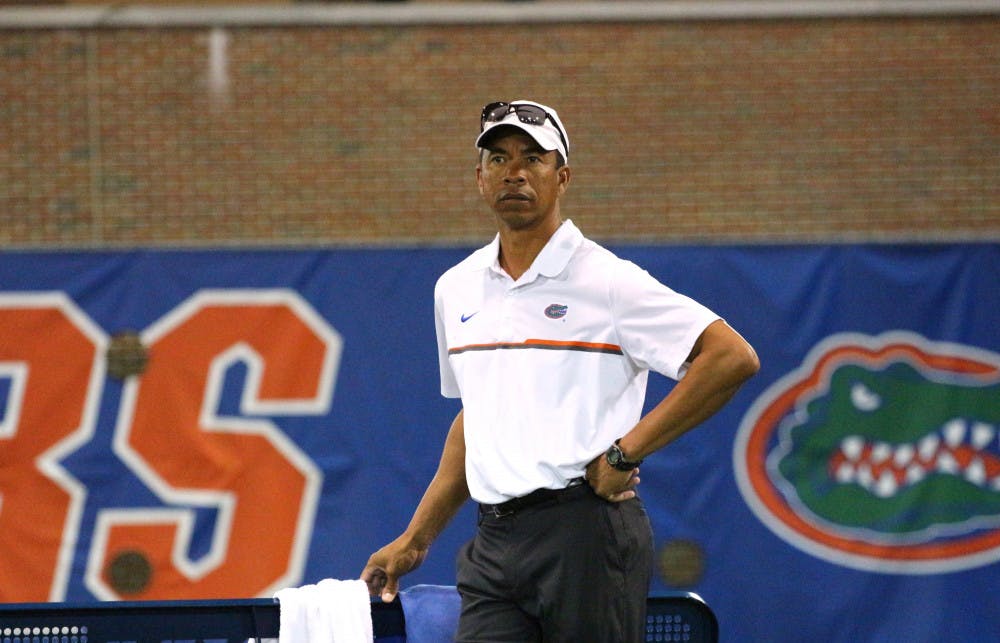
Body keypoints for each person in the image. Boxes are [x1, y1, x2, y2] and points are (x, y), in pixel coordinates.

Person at [361, 100, 760, 642]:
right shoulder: (455, 287)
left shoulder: (609, 280)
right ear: (480, 179)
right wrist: (415, 539)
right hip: (493, 543)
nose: (514, 172)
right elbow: (473, 421)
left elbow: (731, 357)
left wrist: (627, 451)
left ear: (562, 176)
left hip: (586, 534)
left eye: (533, 158)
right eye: (498, 159)